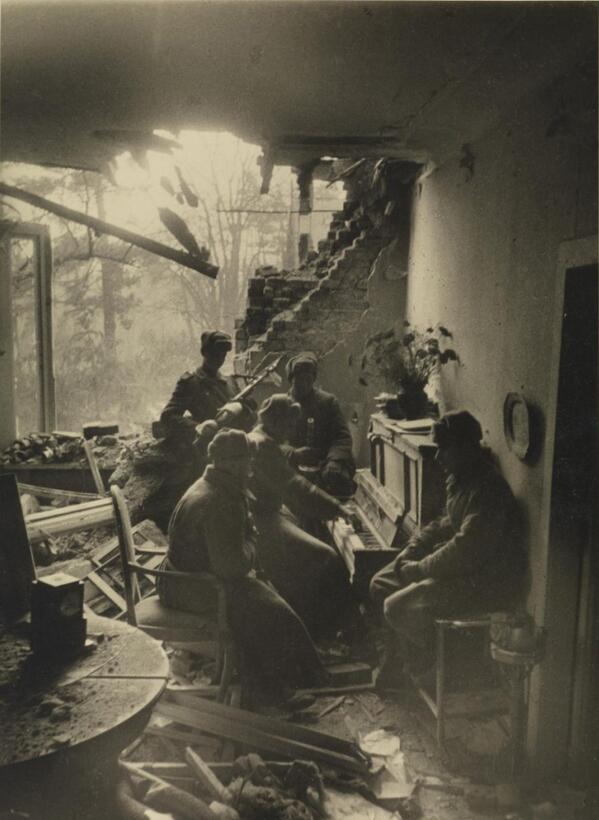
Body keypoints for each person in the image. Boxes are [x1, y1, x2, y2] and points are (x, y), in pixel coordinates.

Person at [157, 428, 327, 706]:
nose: (251, 467)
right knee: (272, 611)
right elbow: (231, 568)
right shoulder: (223, 500)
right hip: (193, 586)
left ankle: (272, 681)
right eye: (248, 461)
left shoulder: (208, 483)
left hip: (177, 577)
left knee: (266, 595)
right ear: (231, 463)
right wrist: (252, 543)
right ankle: (272, 692)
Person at [370, 410, 526, 684]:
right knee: (380, 583)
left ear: (467, 448)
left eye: (445, 449)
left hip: (485, 582)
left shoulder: (488, 489)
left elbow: (465, 550)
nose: (439, 457)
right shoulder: (462, 478)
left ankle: (444, 662)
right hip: (463, 570)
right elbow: (444, 523)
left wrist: (417, 569)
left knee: (395, 607)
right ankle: (404, 660)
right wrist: (412, 549)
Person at [248, 393, 362, 643]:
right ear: (276, 421)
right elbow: (293, 486)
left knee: (317, 541)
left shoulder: (263, 438)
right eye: (289, 424)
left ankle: (323, 630)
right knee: (327, 558)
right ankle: (326, 635)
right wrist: (338, 508)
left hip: (268, 513)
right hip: (261, 521)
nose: (291, 430)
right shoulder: (264, 445)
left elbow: (290, 482)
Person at [281, 351, 356, 499]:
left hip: (324, 462)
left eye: (308, 379)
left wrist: (334, 461)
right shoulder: (280, 404)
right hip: (293, 462)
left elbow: (341, 437)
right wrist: (292, 453)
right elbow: (266, 438)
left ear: (313, 379)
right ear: (291, 380)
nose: (304, 384)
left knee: (337, 478)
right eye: (299, 379)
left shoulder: (327, 402)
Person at [160, 331, 236, 441]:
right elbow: (168, 416)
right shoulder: (191, 383)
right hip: (208, 446)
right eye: (215, 355)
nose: (219, 359)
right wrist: (198, 428)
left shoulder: (230, 382)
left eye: (223, 355)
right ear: (204, 352)